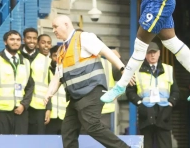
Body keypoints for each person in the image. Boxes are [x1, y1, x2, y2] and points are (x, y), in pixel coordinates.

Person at [44, 15, 131, 148]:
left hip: (92, 90)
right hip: (75, 97)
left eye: (56, 26)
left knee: (92, 126)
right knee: (68, 131)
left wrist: (123, 69)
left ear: (67, 24)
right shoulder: (61, 50)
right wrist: (49, 93)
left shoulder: (83, 37)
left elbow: (107, 52)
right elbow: (57, 77)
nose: (54, 30)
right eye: (52, 27)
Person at [126, 41, 179, 148]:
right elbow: (129, 91)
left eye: (155, 52)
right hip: (146, 113)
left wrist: (170, 104)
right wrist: (140, 104)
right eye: (150, 53)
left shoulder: (168, 69)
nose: (152, 55)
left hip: (164, 113)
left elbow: (176, 91)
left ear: (159, 53)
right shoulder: (137, 71)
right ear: (145, 54)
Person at [0, 30, 34, 134]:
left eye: (18, 40)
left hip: (20, 111)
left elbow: (30, 86)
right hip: (0, 112)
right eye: (12, 39)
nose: (15, 42)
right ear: (5, 42)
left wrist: (24, 105)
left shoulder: (25, 62)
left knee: (19, 144)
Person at [19, 28, 51, 134]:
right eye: (29, 38)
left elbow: (50, 85)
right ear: (24, 39)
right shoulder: (16, 55)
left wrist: (48, 108)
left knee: (38, 141)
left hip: (38, 106)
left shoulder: (46, 60)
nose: (32, 41)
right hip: (19, 104)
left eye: (34, 38)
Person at [45, 44, 67, 135]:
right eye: (55, 55)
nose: (57, 58)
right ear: (50, 56)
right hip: (50, 116)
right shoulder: (45, 71)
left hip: (65, 116)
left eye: (60, 56)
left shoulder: (68, 71)